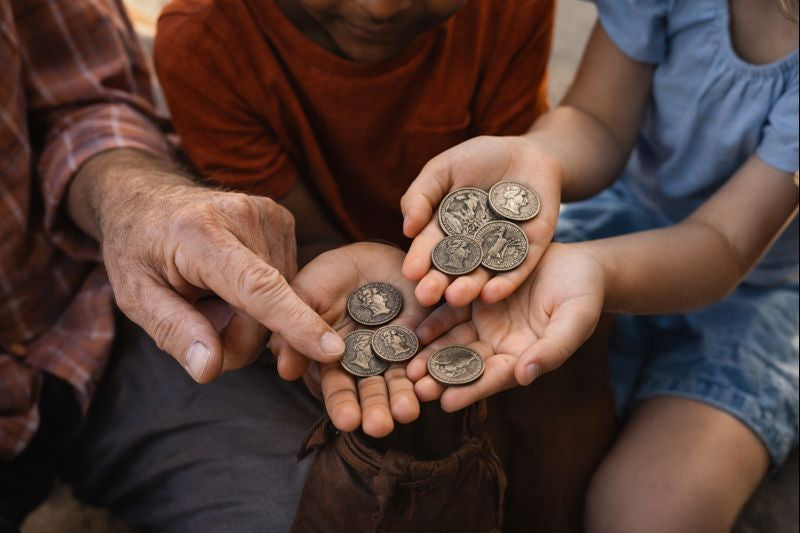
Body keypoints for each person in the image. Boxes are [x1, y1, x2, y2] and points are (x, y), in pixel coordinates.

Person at [402, 0, 799, 530]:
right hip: (615, 217)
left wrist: (595, 271)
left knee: (651, 515)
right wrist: (541, 154)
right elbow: (596, 121)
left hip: (754, 295)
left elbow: (723, 243)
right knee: (468, 412)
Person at [0, 1, 355, 530]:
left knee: (332, 509)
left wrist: (136, 201)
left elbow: (82, 104)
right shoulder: (208, 33)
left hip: (87, 312)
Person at [153, 0, 555, 433]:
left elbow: (513, 184)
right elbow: (298, 235)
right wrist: (339, 270)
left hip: (492, 297)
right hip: (319, 277)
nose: (380, 10)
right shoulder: (206, 41)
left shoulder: (509, 10)